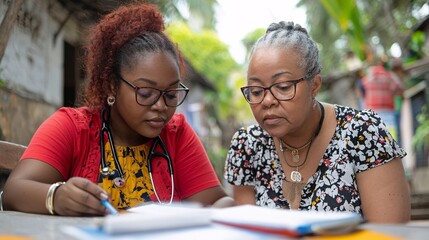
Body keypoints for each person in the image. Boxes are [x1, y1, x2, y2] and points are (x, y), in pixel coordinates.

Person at [2, 3, 233, 216]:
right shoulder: (71, 127)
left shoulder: (177, 134)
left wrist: (230, 209)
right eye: (145, 93)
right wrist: (57, 197)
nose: (161, 106)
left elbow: (214, 202)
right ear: (112, 85)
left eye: (171, 94)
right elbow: (14, 192)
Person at [224, 21, 410, 223]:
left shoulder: (363, 133)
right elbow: (249, 231)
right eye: (257, 91)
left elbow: (390, 232)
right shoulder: (247, 146)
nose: (267, 101)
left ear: (315, 85)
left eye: (284, 87)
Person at [362, 56, 404, 142]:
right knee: (391, 139)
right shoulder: (389, 76)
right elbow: (400, 88)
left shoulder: (367, 78)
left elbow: (361, 89)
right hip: (388, 111)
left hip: (371, 113)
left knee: (375, 140)